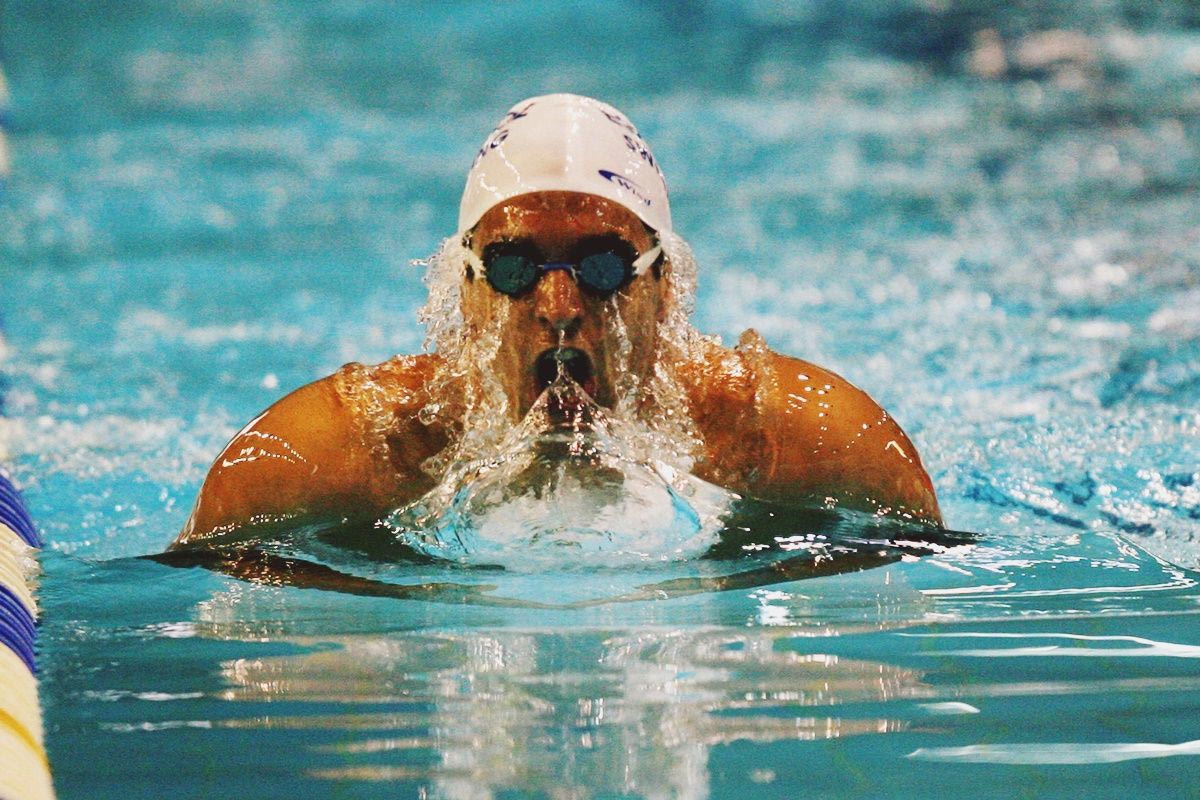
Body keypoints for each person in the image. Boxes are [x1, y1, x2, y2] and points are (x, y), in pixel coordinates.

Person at [173, 93, 941, 549]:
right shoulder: (332, 458)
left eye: (603, 266)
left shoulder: (800, 444)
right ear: (466, 291)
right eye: (514, 269)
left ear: (664, 287)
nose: (561, 310)